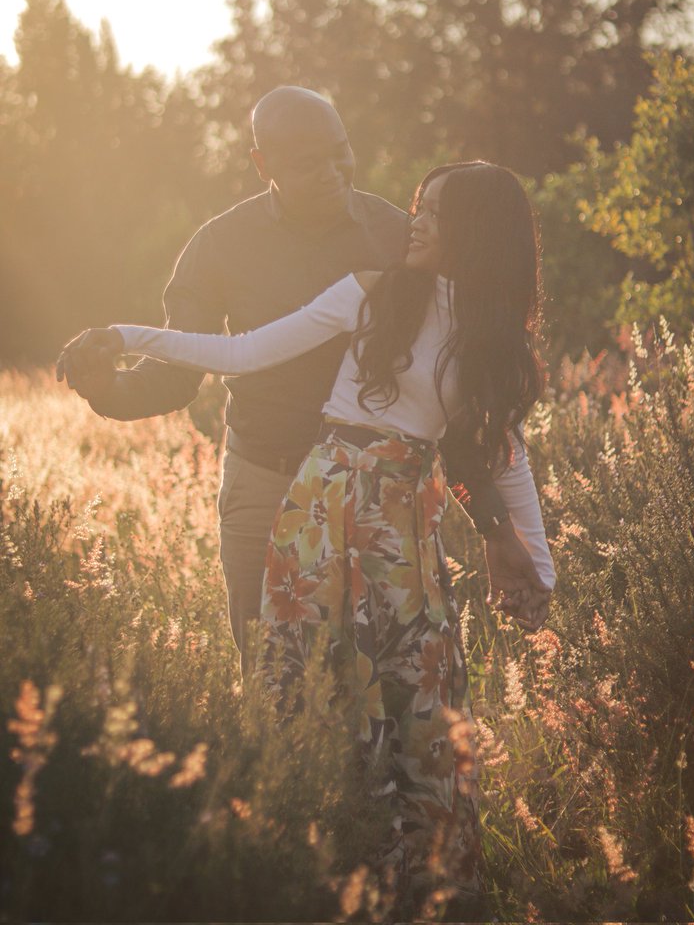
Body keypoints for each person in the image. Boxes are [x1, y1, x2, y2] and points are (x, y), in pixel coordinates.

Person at [57, 160, 556, 902]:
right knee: (314, 687)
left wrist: (535, 564)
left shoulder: (492, 336)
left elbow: (501, 456)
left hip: (406, 530)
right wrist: (123, 335)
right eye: (419, 205)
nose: (414, 219)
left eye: (435, 212)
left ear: (478, 232)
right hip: (323, 511)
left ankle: (423, 887)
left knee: (418, 692)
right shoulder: (371, 292)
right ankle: (317, 871)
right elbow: (243, 351)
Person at [59, 87, 551, 669]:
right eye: (306, 162)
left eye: (339, 151)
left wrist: (504, 532)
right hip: (263, 482)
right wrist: (106, 387)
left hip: (383, 502)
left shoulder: (399, 236)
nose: (331, 171)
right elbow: (184, 374)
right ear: (262, 165)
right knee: (272, 674)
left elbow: (455, 391)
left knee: (383, 675)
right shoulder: (220, 245)